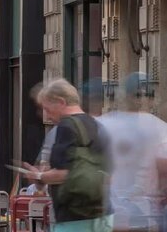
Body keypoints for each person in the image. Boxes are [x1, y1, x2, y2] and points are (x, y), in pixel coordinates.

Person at [24, 78, 113, 232]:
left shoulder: (65, 127)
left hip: (74, 218)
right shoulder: (97, 126)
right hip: (102, 215)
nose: (47, 116)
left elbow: (64, 173)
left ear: (61, 102)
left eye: (47, 108)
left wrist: (38, 176)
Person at [97, 72, 167, 231]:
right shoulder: (157, 126)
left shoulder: (102, 124)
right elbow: (164, 166)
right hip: (143, 213)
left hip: (107, 212)